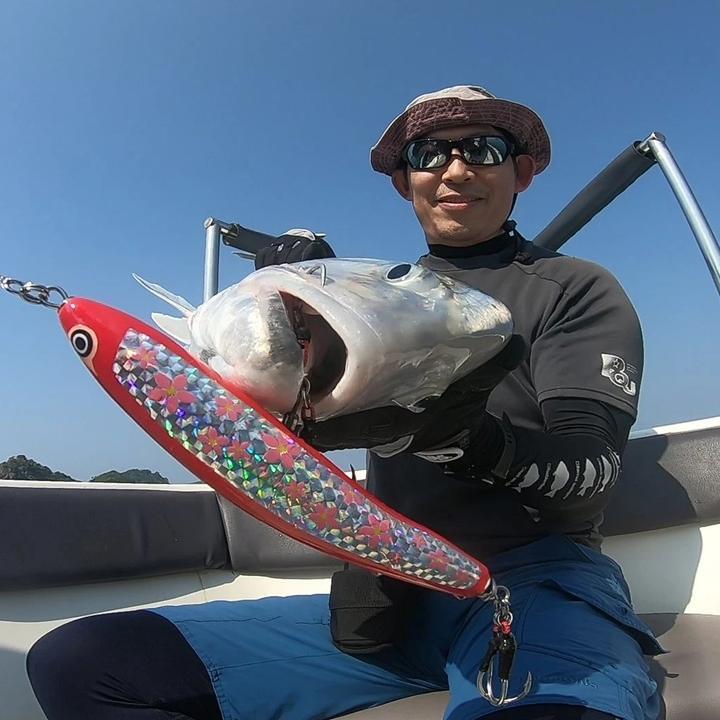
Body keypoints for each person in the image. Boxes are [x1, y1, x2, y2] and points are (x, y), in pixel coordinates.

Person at [26, 86, 663, 720]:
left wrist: (466, 439)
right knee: (82, 664)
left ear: (520, 172)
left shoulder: (574, 289)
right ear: (405, 182)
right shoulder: (362, 301)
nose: (456, 170)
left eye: (483, 149)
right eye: (429, 154)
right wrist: (300, 311)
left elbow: (592, 476)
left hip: (533, 583)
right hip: (394, 590)